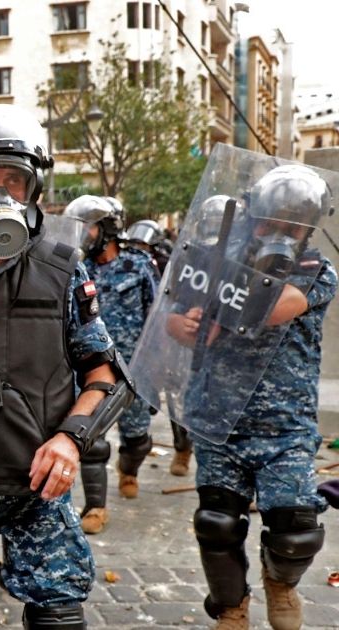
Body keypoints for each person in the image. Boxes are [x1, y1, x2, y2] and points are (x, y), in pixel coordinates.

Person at [0, 105, 136, 629]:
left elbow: (105, 376)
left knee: (59, 611)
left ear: (34, 190)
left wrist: (70, 440)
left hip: (36, 483)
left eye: (14, 180)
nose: (0, 195)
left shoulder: (62, 266)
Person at [166, 164, 334, 630]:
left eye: (291, 225)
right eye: (269, 221)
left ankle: (281, 583)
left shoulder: (315, 269)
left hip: (285, 423)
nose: (278, 233)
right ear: (251, 217)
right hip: (219, 417)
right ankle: (231, 605)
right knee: (217, 523)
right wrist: (182, 325)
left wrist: (218, 306)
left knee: (296, 527)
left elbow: (280, 307)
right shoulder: (216, 262)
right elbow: (177, 316)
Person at [63, 195, 160, 533]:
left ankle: (129, 468)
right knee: (92, 439)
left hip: (133, 371)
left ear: (107, 229)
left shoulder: (139, 266)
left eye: (89, 226)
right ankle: (95, 507)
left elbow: (156, 314)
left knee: (137, 439)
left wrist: (157, 363)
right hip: (94, 370)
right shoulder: (76, 267)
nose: (84, 234)